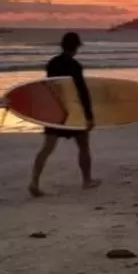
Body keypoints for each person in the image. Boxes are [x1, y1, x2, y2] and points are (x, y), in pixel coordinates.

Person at [29, 32, 99, 197]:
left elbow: (50, 88)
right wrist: (89, 116)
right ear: (76, 47)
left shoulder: (52, 63)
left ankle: (34, 182)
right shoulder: (75, 66)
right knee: (83, 146)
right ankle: (87, 181)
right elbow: (81, 92)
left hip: (54, 111)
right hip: (73, 112)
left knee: (46, 148)